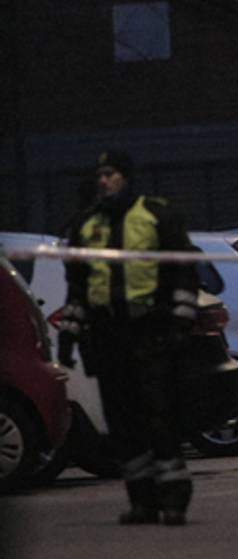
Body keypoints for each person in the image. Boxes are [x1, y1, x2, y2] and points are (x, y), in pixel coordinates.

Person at [59, 151, 199, 526]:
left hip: (150, 333)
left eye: (112, 173)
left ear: (127, 177)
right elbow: (78, 287)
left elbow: (185, 275)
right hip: (107, 337)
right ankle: (141, 500)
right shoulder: (86, 225)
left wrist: (180, 326)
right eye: (100, 174)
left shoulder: (156, 216)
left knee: (159, 416)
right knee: (122, 422)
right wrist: (69, 336)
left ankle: (174, 497)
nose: (104, 180)